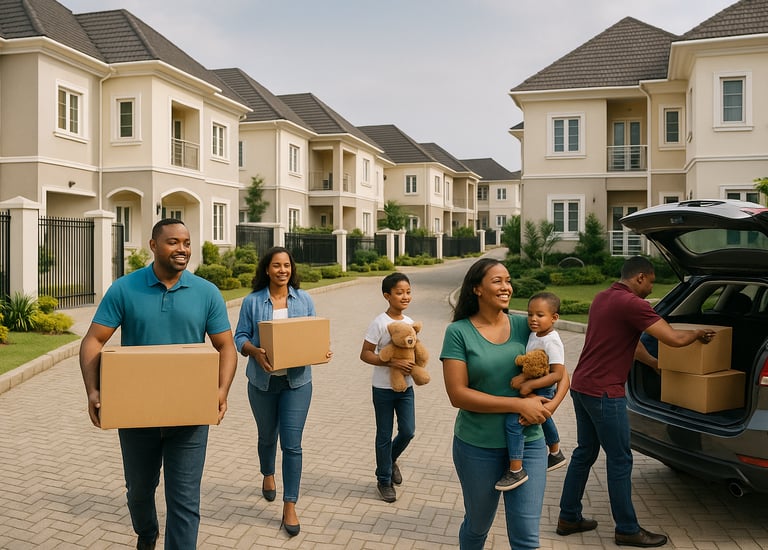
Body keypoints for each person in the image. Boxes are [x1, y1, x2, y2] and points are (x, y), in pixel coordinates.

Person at [79, 218, 238, 550]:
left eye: (187, 242)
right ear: (153, 245)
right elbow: (94, 341)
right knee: (139, 491)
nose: (182, 249)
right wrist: (93, 391)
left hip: (189, 415)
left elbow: (226, 347)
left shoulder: (206, 292)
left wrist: (221, 391)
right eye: (173, 242)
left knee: (184, 500)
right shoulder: (125, 288)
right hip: (136, 414)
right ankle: (147, 533)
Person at [557, 256, 717, 548]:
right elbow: (673, 338)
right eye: (651, 282)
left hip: (581, 387)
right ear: (641, 277)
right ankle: (627, 529)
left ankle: (568, 517)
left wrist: (655, 364)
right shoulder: (634, 304)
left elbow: (631, 344)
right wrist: (697, 333)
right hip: (605, 393)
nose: (650, 288)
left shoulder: (603, 297)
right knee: (620, 460)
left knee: (584, 453)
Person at [440, 258, 568, 550]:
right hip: (477, 445)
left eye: (508, 280)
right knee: (477, 525)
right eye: (497, 281)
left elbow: (563, 375)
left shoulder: (529, 325)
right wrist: (518, 406)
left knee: (526, 537)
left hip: (530, 444)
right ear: (477, 289)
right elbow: (457, 395)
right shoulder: (458, 332)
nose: (506, 287)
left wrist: (549, 408)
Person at [234, 246, 330, 537]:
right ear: (267, 269)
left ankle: (290, 504)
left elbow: (313, 333)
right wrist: (255, 351)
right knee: (267, 437)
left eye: (286, 265)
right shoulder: (252, 302)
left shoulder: (305, 299)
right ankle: (268, 474)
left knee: (292, 444)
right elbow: (240, 337)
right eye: (276, 265)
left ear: (292, 269)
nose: (282, 270)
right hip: (262, 383)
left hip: (297, 383)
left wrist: (321, 350)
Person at [496, 291, 570, 491]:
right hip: (537, 384)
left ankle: (516, 469)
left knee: (514, 422)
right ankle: (555, 452)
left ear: (554, 318)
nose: (533, 319)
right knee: (543, 418)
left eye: (540, 315)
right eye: (530, 314)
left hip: (544, 389)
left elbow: (557, 374)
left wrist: (529, 385)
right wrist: (526, 377)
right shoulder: (535, 335)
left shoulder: (551, 340)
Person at [359, 272, 419, 503]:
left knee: (408, 431)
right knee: (383, 434)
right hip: (383, 388)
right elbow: (365, 354)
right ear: (387, 295)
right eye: (399, 292)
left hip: (406, 387)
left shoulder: (410, 322)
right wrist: (391, 361)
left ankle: (389, 460)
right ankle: (384, 480)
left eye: (408, 292)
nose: (405, 296)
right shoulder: (379, 323)